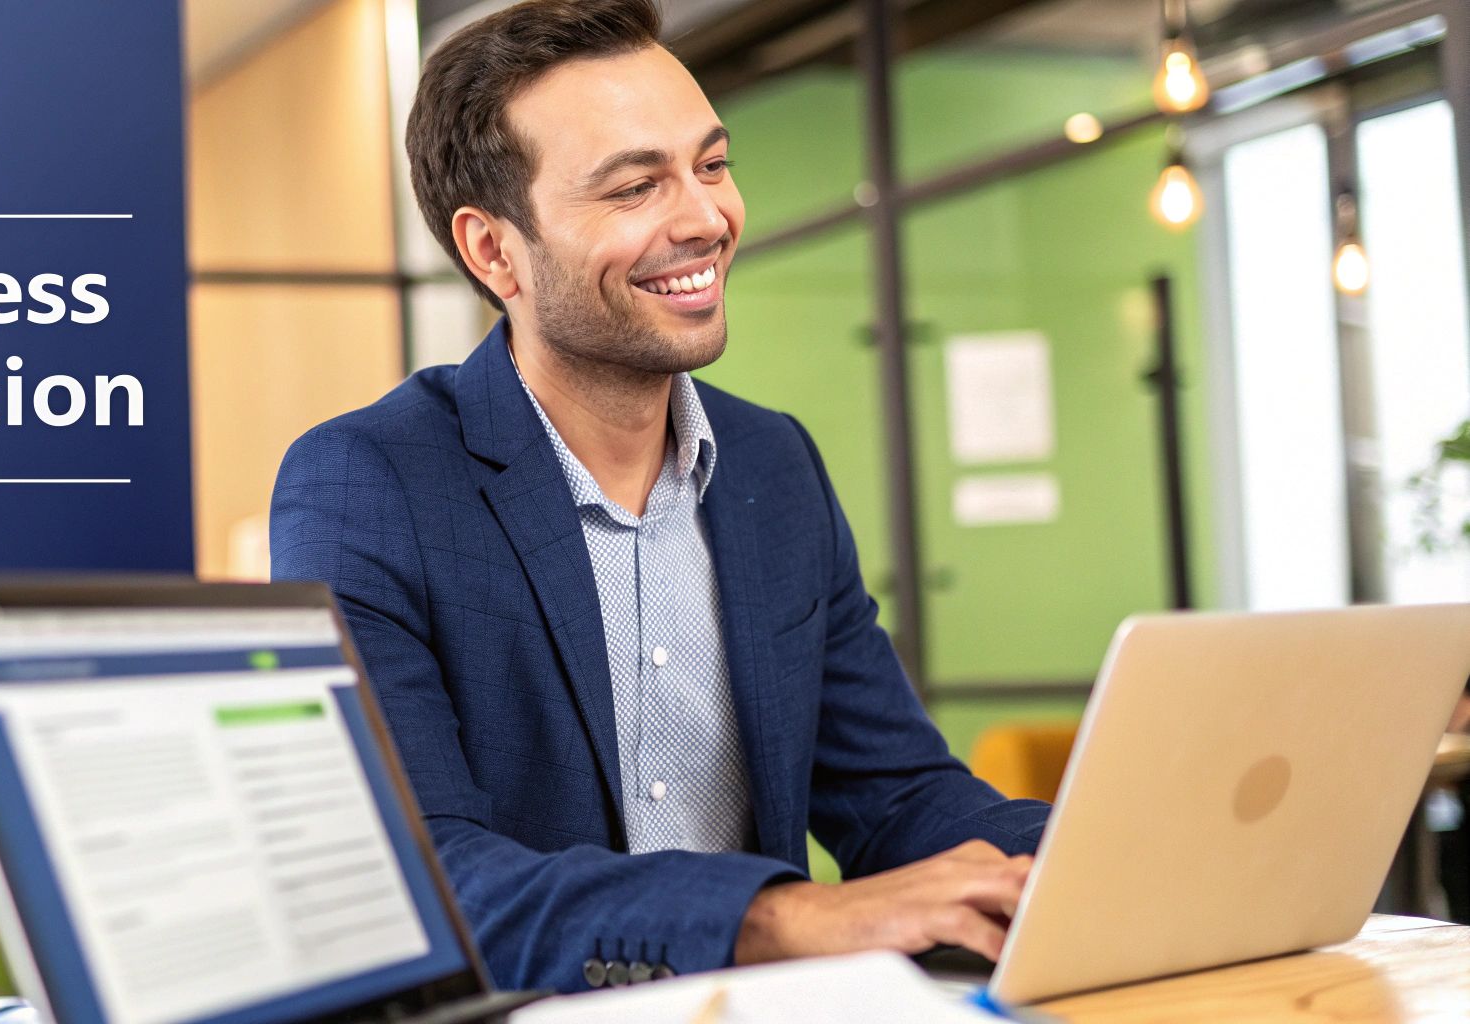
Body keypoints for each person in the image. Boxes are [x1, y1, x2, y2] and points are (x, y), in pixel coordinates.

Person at [270, 0, 1049, 994]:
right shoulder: (365, 482)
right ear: (491, 250)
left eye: (711, 165)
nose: (703, 219)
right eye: (635, 186)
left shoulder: (773, 465)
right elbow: (423, 873)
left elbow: (895, 799)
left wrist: (1106, 859)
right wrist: (780, 914)